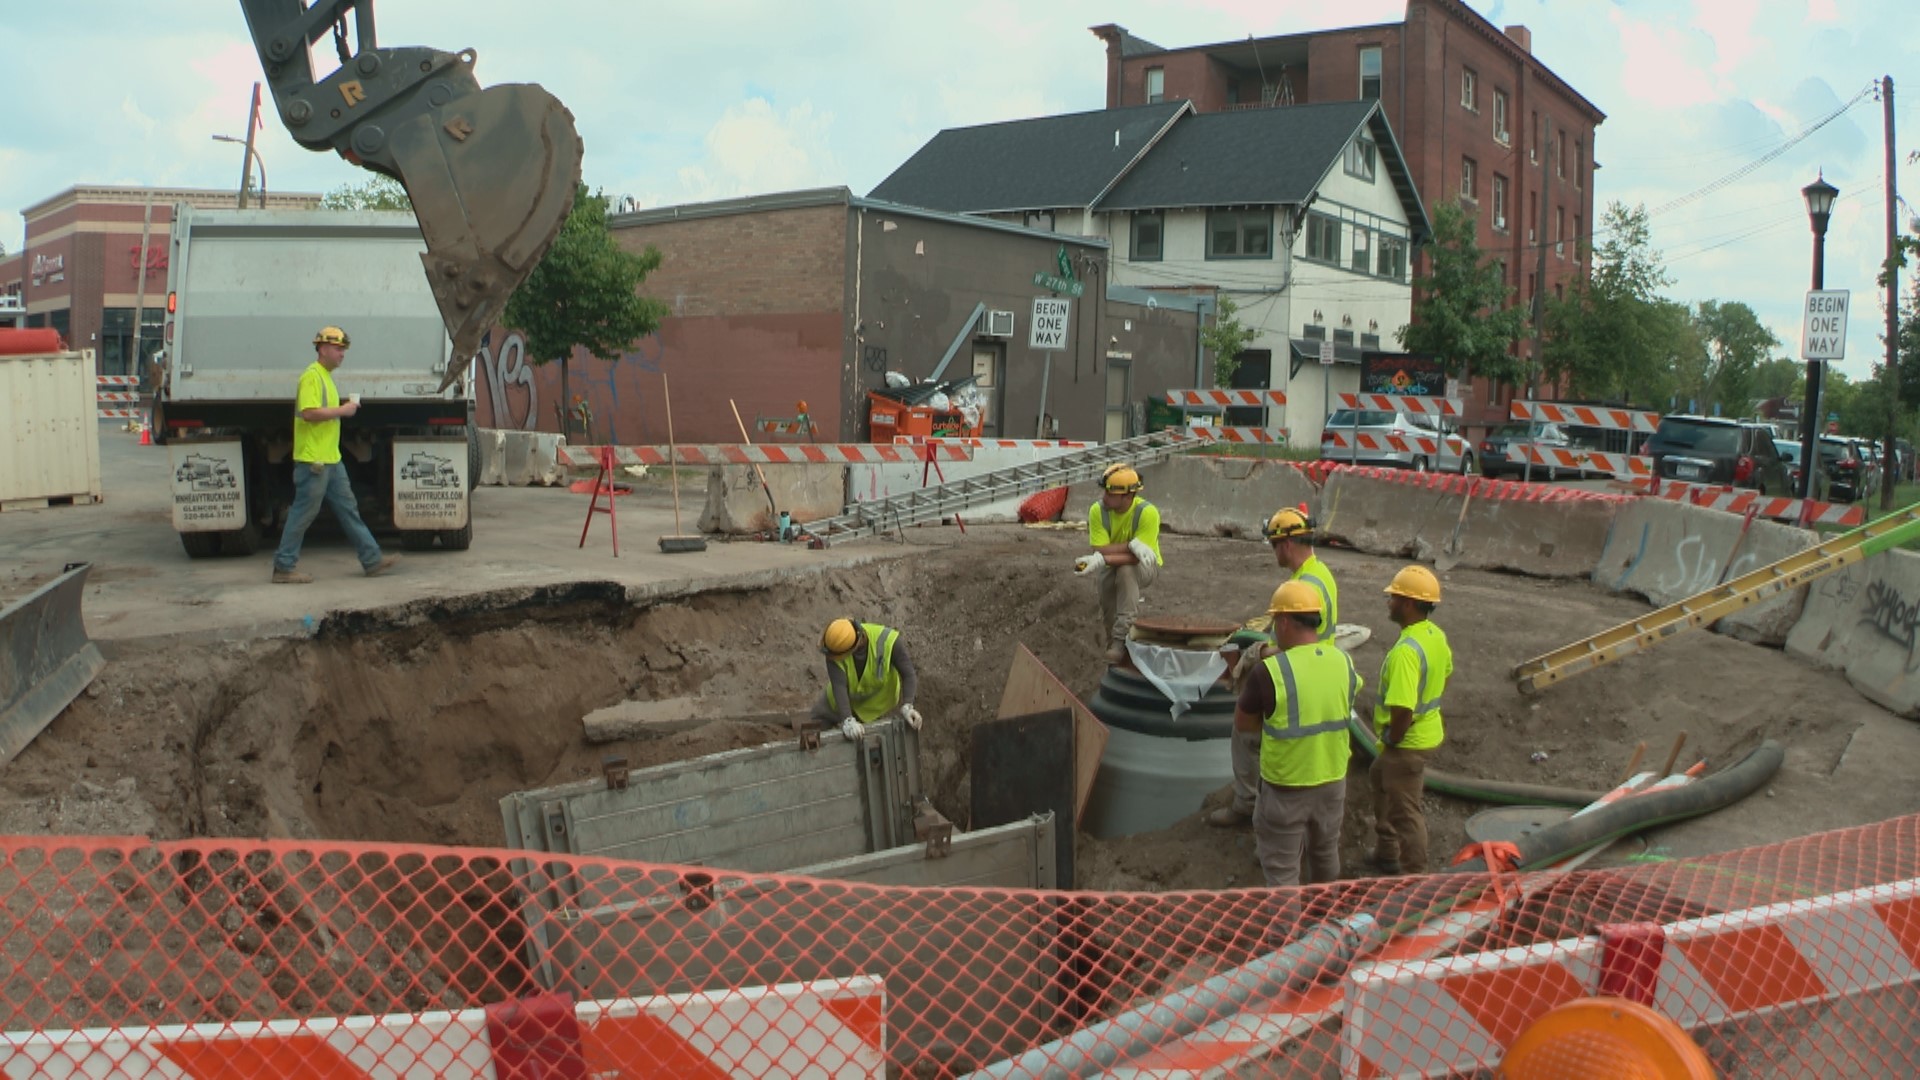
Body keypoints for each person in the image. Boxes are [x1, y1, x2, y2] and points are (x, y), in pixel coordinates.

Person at [1211, 506, 1341, 827]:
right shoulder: (1319, 574)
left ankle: (1249, 804)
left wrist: (1257, 652)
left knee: (1248, 733)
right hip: (1318, 672)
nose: (1273, 553)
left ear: (1285, 545)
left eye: (1273, 545)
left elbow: (1294, 643)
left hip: (1296, 675)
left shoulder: (1305, 585)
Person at [1235, 580, 1359, 887]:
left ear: (1286, 621)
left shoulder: (1271, 671)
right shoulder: (1343, 661)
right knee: (1325, 852)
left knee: (1282, 870)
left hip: (1286, 785)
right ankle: (1324, 925)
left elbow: (1244, 725)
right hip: (1332, 780)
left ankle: (1284, 935)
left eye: (1276, 620)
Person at [271, 326, 399, 584]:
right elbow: (309, 413)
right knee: (303, 513)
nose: (342, 355)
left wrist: (341, 409)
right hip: (314, 461)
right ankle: (284, 566)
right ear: (323, 349)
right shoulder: (312, 377)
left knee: (348, 509)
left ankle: (372, 559)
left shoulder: (325, 377)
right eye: (339, 349)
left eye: (343, 350)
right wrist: (344, 411)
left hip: (330, 459)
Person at [1368, 565, 1452, 875]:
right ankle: (1386, 851)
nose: (1388, 603)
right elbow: (1446, 675)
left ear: (1407, 603)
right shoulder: (1434, 636)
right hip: (1423, 733)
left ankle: (1415, 879)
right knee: (1379, 779)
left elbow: (1402, 708)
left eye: (1393, 598)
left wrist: (1394, 736)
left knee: (1406, 813)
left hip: (1406, 743)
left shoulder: (1406, 651)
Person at [1075, 464, 1162, 664]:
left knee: (1125, 571)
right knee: (1107, 592)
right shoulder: (1098, 510)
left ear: (1128, 496)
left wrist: (1105, 558)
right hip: (1112, 565)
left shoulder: (1147, 513)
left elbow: (1137, 558)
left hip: (1146, 567)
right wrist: (1130, 546)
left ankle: (1121, 638)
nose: (1105, 498)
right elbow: (1101, 547)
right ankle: (1113, 643)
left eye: (1111, 494)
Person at [811, 618, 922, 741]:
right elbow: (839, 686)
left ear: (852, 650)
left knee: (869, 744)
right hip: (840, 701)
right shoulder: (835, 648)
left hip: (876, 706)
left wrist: (908, 706)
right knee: (813, 726)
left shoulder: (888, 641)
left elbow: (908, 674)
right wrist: (847, 720)